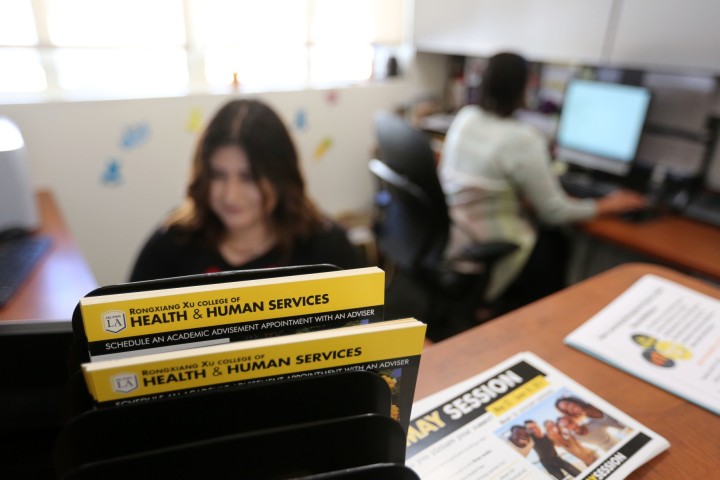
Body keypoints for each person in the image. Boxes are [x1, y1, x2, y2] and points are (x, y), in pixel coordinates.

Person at [438, 52, 647, 313]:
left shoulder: (466, 117)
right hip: (490, 239)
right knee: (556, 243)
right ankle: (533, 317)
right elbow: (554, 212)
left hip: (455, 231)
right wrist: (608, 205)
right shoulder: (523, 139)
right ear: (526, 86)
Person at [129, 99, 364, 281]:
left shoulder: (326, 248)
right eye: (218, 175)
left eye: (249, 177)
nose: (231, 195)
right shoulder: (172, 241)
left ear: (280, 177)